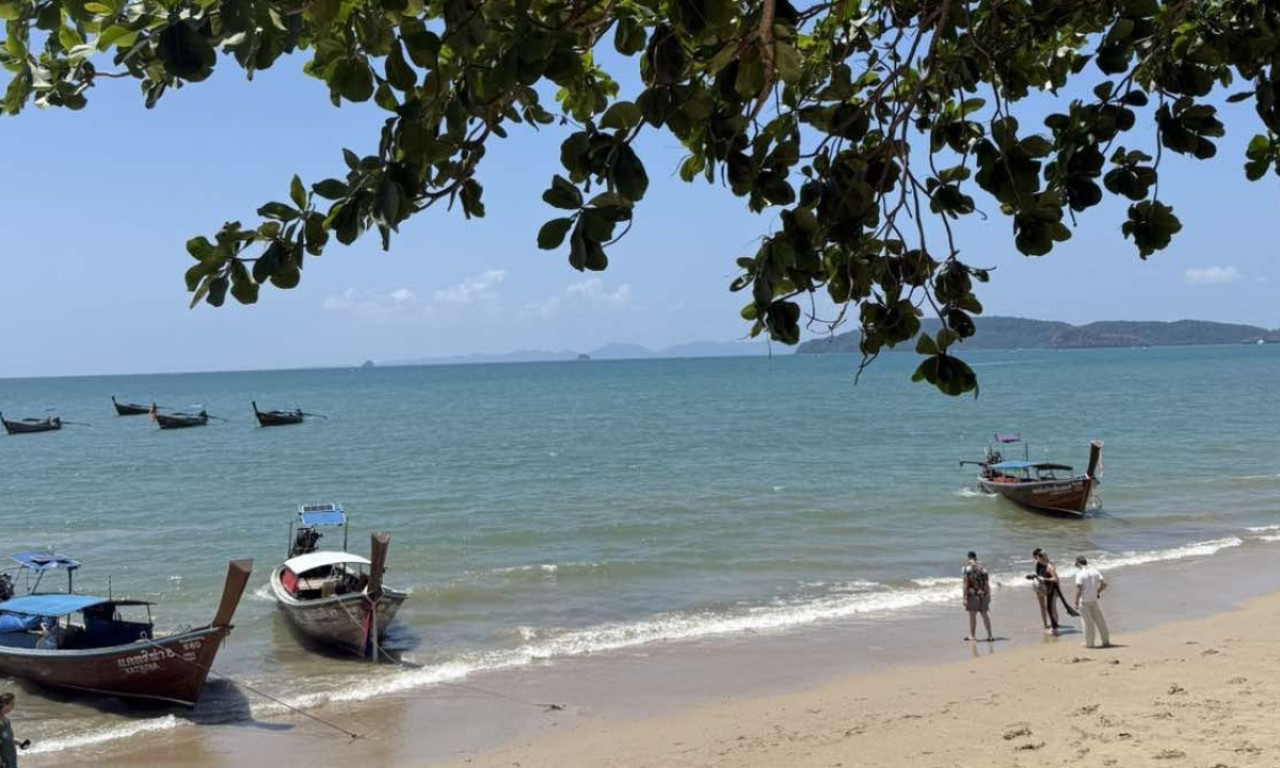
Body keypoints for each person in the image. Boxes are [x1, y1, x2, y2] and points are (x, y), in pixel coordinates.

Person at [1073, 556, 1111, 648]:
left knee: (1087, 623)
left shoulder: (1080, 574)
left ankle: (1089, 643)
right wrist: (1097, 591)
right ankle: (1105, 640)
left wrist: (1076, 602)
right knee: (1100, 621)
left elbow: (1079, 590)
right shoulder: (1095, 571)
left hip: (1084, 601)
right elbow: (1104, 584)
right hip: (1094, 599)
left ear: (1078, 564)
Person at [962, 551, 994, 642]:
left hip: (973, 595)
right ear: (976, 558)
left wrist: (964, 597)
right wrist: (988, 595)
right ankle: (990, 635)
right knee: (985, 615)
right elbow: (987, 583)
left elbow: (965, 584)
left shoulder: (967, 569)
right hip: (983, 594)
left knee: (972, 616)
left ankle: (972, 635)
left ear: (968, 558)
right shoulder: (983, 568)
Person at [1032, 548, 1061, 634]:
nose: (1035, 559)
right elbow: (1038, 574)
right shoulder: (1037, 563)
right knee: (1042, 606)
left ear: (1039, 557)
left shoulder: (1049, 566)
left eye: (1036, 557)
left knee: (1052, 607)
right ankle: (1045, 624)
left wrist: (1058, 590)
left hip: (1051, 587)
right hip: (1041, 587)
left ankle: (1054, 627)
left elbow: (1056, 578)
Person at [0, 692, 30, 768]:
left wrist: (20, 742)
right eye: (11, 704)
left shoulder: (6, 720)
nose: (12, 706)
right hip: (3, 758)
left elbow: (8, 737)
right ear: (3, 704)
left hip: (10, 755)